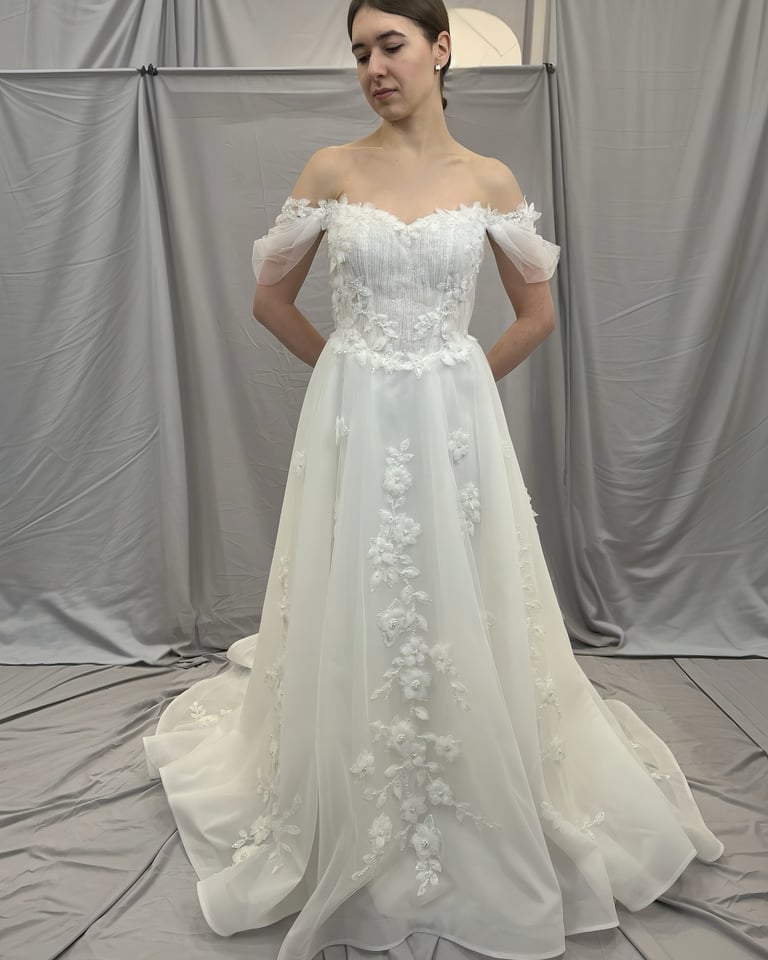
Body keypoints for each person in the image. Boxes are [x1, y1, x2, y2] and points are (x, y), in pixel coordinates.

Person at [144, 2, 724, 958]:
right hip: (356, 417)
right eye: (360, 52)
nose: (374, 67)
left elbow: (535, 314)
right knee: (361, 581)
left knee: (461, 583)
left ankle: (468, 763)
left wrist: (462, 380)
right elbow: (269, 298)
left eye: (392, 46)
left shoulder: (488, 179)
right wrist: (347, 368)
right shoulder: (332, 168)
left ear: (440, 50)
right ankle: (354, 770)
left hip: (455, 423)